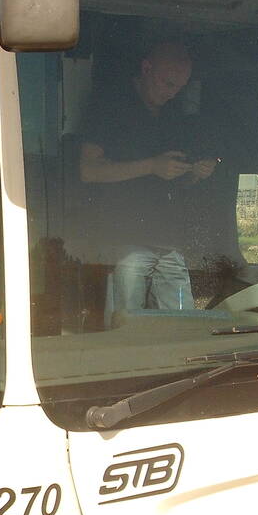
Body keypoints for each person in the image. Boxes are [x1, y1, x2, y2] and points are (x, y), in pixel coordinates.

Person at [79, 41, 216, 317]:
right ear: (146, 68)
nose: (172, 93)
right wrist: (152, 166)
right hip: (124, 242)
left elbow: (176, 179)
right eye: (167, 83)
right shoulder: (110, 105)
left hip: (170, 242)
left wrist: (195, 172)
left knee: (182, 327)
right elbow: (88, 170)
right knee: (125, 327)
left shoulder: (174, 114)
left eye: (180, 87)